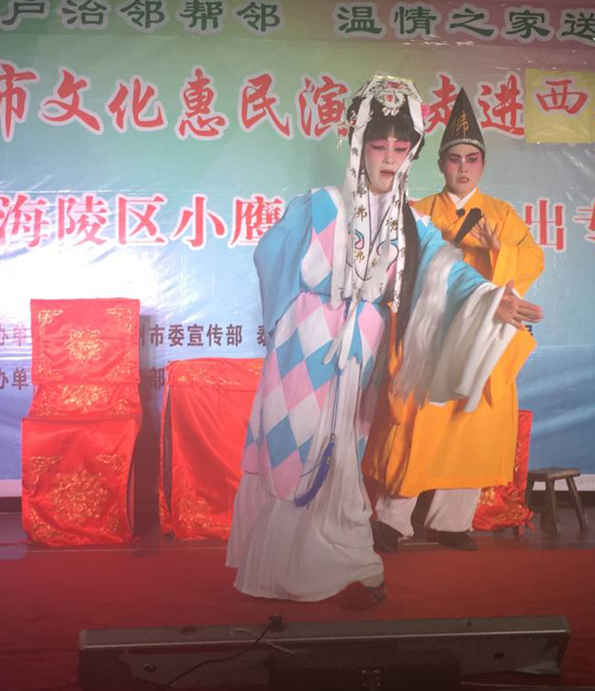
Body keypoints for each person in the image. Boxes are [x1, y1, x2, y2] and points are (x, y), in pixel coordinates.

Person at [225, 75, 542, 604]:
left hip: (362, 350)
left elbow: (448, 272)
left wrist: (490, 298)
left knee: (344, 452)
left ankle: (342, 558)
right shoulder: (318, 206)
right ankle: (283, 564)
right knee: (296, 446)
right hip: (306, 345)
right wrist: (294, 320)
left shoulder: (411, 224)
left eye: (400, 148)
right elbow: (271, 260)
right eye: (379, 146)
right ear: (358, 146)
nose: (390, 158)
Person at [363, 87, 545, 551]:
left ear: (482, 165)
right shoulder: (420, 212)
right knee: (416, 426)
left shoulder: (502, 215)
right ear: (441, 164)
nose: (463, 168)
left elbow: (531, 262)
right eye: (454, 159)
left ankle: (451, 521)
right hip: (431, 335)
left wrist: (500, 253)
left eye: (472, 159)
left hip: (480, 336)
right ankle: (393, 520)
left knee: (471, 425)